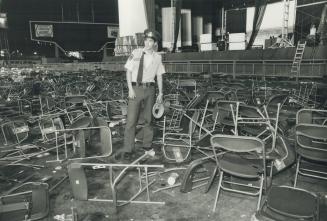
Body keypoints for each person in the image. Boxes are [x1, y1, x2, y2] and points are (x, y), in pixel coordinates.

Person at [115, 29, 165, 161]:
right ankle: (128, 148)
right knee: (131, 120)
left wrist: (161, 92)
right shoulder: (135, 53)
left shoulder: (158, 57)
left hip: (150, 89)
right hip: (136, 89)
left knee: (149, 120)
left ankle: (147, 146)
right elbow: (128, 72)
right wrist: (130, 89)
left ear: (154, 43)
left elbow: (159, 76)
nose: (148, 43)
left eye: (151, 41)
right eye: (146, 40)